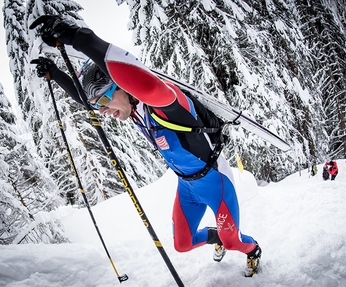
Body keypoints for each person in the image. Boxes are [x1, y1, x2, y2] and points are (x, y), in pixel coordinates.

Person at [30, 15, 261, 277]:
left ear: (124, 86)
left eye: (105, 100)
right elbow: (89, 100)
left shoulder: (165, 102)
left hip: (215, 182)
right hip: (186, 186)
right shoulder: (135, 110)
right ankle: (215, 237)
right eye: (98, 106)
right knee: (182, 244)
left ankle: (252, 250)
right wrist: (55, 73)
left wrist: (77, 38)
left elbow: (138, 78)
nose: (104, 111)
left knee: (234, 242)